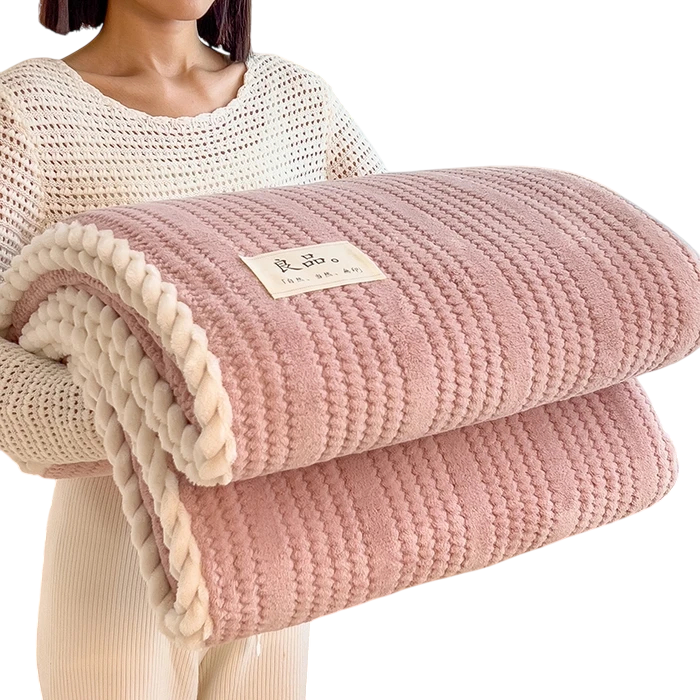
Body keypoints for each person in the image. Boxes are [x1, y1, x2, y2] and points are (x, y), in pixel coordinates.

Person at [0, 1, 388, 698]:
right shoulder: (31, 114)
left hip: (282, 540)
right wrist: (147, 418)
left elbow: (394, 276)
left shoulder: (298, 105)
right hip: (118, 547)